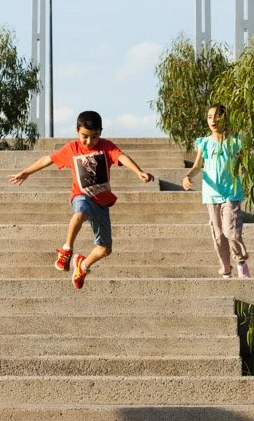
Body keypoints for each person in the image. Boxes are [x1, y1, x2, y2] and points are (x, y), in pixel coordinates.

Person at [9, 110, 153, 289]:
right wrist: (26, 172)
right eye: (85, 136)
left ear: (100, 132)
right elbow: (49, 159)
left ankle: (82, 266)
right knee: (79, 213)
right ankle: (67, 250)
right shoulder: (72, 148)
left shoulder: (106, 146)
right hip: (82, 195)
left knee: (105, 249)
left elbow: (121, 157)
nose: (89, 141)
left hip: (101, 202)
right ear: (77, 131)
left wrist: (139, 171)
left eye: (94, 136)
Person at [183, 103, 250, 279]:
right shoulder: (204, 143)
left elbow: (246, 163)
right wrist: (188, 175)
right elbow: (197, 165)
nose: (213, 120)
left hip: (231, 193)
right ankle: (226, 270)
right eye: (210, 117)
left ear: (225, 118)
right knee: (219, 236)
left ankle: (241, 262)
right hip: (211, 194)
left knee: (231, 232)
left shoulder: (235, 142)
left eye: (218, 116)